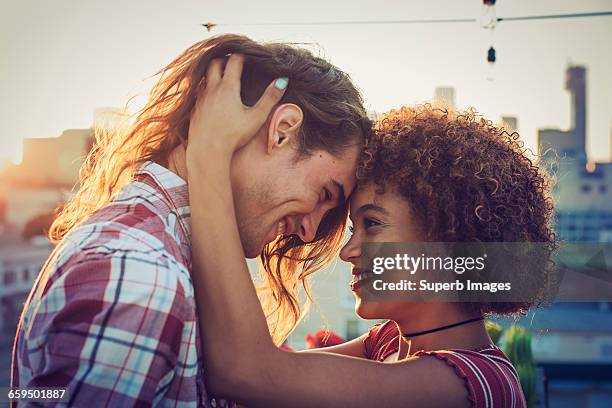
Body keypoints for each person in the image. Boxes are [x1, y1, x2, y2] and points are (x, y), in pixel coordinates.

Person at [11, 35, 371, 406]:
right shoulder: (140, 273)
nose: (309, 230)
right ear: (282, 131)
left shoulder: (167, 257)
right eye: (325, 196)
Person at [185, 57, 557, 407]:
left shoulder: (478, 383)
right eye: (353, 228)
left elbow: (250, 373)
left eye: (373, 225)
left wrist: (210, 153)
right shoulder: (389, 343)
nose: (347, 251)